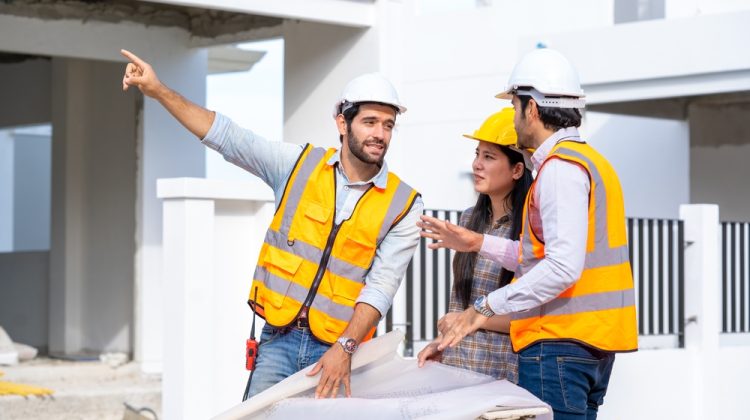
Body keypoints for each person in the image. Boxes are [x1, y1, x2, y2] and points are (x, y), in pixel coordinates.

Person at [120, 50, 423, 400]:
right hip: (279, 340)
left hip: (341, 352)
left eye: (388, 125)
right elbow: (228, 137)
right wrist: (159, 90)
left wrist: (345, 347)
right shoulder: (298, 165)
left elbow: (381, 288)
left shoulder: (404, 204)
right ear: (343, 123)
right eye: (370, 122)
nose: (380, 134)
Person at [418, 48, 638, 419]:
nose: (515, 118)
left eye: (515, 106)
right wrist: (477, 241)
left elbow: (561, 267)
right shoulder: (592, 162)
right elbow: (541, 256)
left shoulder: (560, 168)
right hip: (593, 344)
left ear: (531, 109)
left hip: (558, 343)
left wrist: (483, 308)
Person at [416, 108, 532, 383]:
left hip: (504, 375)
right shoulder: (469, 219)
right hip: (459, 367)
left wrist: (467, 320)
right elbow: (461, 300)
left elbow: (530, 317)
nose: (477, 164)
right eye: (477, 154)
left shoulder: (530, 226)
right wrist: (442, 341)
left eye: (489, 157)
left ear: (517, 169)